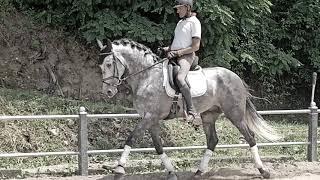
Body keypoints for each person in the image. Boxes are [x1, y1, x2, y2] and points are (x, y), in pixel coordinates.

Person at [162, 0, 201, 122]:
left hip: (187, 56)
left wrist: (178, 52)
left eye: (179, 8)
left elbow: (195, 46)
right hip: (174, 55)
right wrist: (167, 49)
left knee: (180, 78)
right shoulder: (180, 23)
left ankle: (192, 111)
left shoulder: (194, 22)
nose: (177, 10)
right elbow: (178, 43)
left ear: (187, 7)